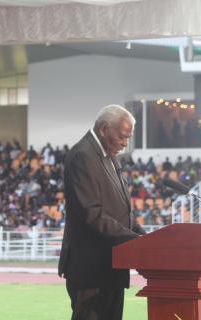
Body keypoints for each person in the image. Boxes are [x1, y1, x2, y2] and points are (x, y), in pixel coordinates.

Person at [58, 104, 146, 320]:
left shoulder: (108, 155)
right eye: (123, 137)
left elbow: (122, 211)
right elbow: (91, 214)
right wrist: (136, 242)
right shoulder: (83, 156)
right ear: (105, 129)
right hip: (91, 270)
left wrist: (146, 239)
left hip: (110, 268)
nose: (125, 144)